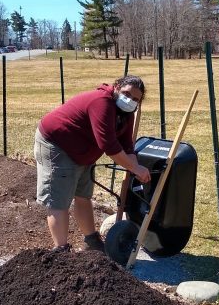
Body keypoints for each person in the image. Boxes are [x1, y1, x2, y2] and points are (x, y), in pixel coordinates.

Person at [34, 75, 151, 252]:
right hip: (57, 145)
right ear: (117, 87)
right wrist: (135, 167)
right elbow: (109, 145)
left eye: (136, 99)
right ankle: (61, 250)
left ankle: (92, 242)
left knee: (83, 195)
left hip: (83, 151)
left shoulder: (126, 113)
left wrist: (135, 168)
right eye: (127, 93)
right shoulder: (101, 102)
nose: (130, 100)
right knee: (58, 200)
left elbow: (127, 145)